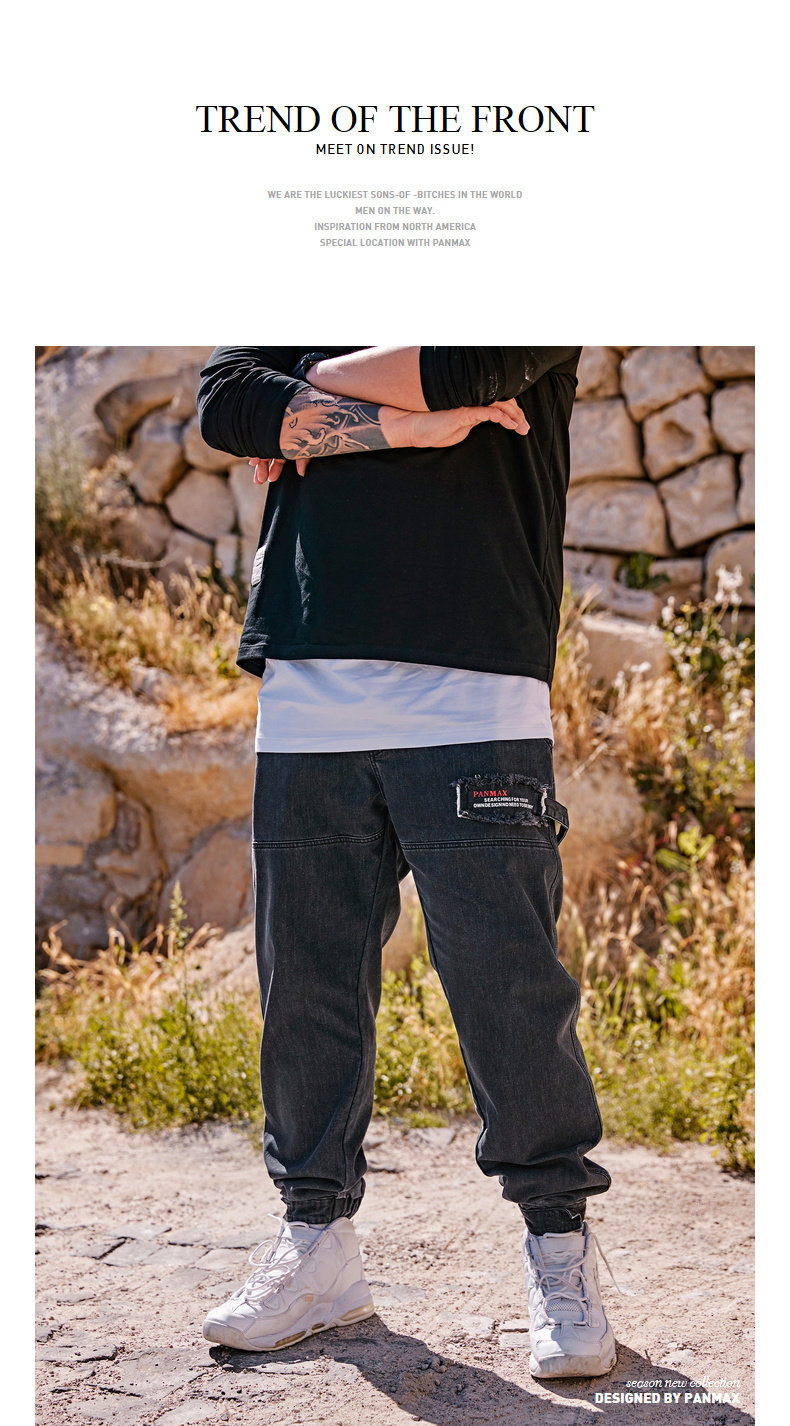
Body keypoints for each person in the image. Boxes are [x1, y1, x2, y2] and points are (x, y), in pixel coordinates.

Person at [195, 346, 615, 1379]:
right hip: (308, 680)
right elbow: (225, 400)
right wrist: (407, 424)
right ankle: (317, 1245)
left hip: (476, 681)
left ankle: (559, 1245)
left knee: (508, 985)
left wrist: (310, 386)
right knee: (306, 984)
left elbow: (470, 362)